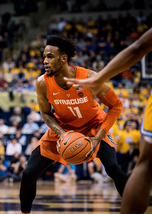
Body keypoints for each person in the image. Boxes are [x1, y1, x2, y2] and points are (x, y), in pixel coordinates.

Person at [19, 35, 128, 214]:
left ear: (64, 59)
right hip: (63, 129)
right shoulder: (42, 83)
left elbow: (116, 105)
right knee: (28, 174)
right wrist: (62, 134)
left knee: (113, 167)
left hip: (93, 126)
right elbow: (46, 114)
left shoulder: (90, 78)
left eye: (50, 56)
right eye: (44, 56)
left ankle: (140, 208)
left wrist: (97, 138)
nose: (45, 61)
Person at [65, 28, 152, 214]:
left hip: (103, 135)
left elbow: (137, 48)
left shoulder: (87, 81)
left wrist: (99, 78)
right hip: (83, 136)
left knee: (142, 165)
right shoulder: (45, 84)